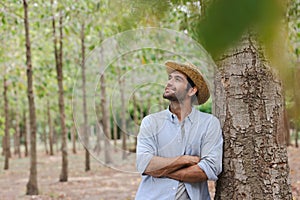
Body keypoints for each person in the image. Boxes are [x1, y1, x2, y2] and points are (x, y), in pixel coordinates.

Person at [135, 60, 223, 200]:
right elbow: (144, 163)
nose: (169, 82)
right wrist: (185, 160)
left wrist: (160, 170)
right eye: (170, 78)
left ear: (192, 90)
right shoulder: (150, 122)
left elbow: (209, 169)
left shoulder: (209, 124)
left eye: (177, 79)